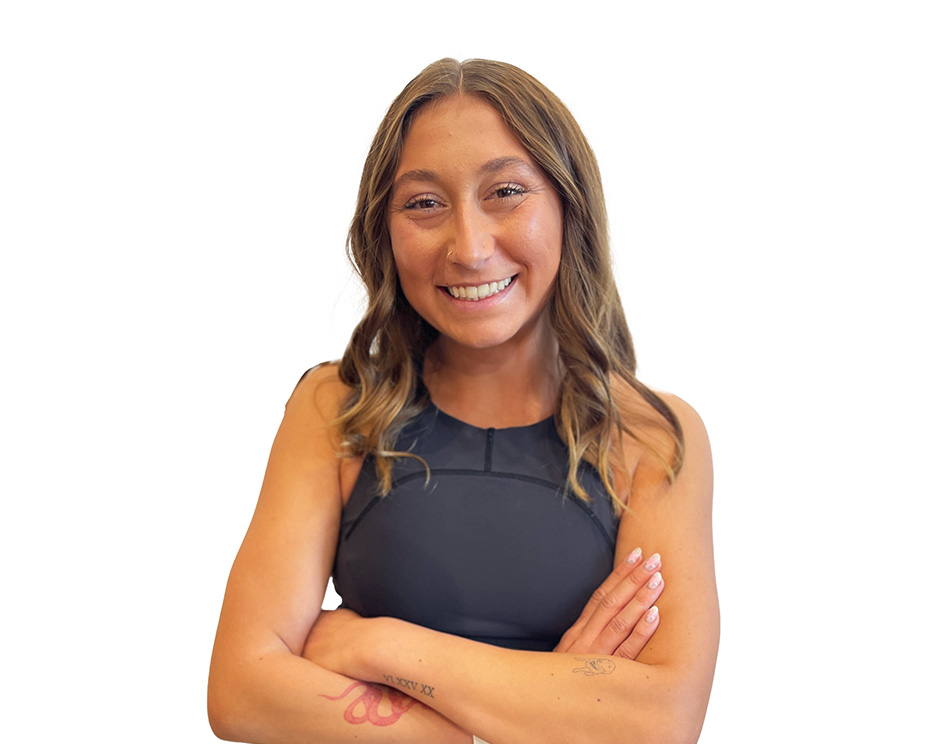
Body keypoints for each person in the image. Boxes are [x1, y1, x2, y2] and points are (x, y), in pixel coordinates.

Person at [208, 58, 718, 744]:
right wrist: (542, 711)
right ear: (383, 231)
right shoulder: (336, 409)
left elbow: (661, 721)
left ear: (569, 206)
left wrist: (374, 646)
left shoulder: (653, 436)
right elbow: (241, 691)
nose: (470, 248)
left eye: (505, 191)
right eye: (423, 203)